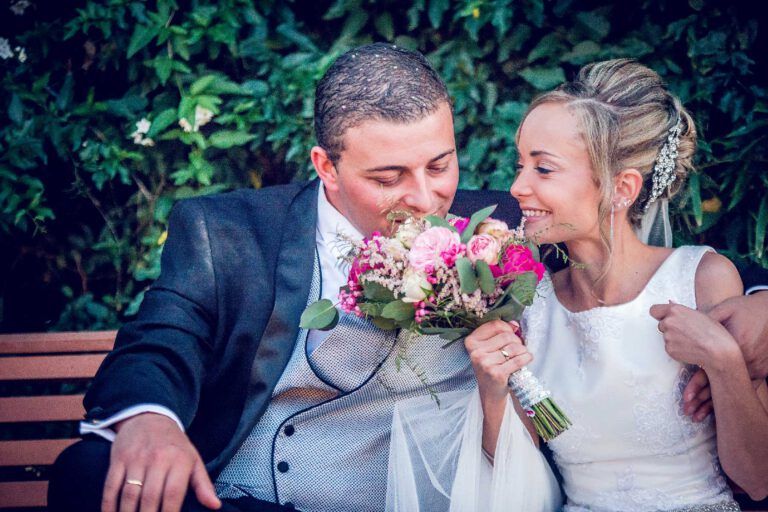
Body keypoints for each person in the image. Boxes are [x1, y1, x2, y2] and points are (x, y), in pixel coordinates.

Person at [47, 43, 523, 512]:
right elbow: (160, 340)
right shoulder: (228, 232)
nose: (425, 197)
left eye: (439, 165)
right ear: (326, 167)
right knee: (87, 472)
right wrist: (150, 419)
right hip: (248, 504)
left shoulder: (503, 229)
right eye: (387, 178)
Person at [387, 59, 768, 512]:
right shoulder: (530, 302)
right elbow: (514, 470)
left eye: (543, 169)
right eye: (520, 164)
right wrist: (493, 386)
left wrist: (723, 361)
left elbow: (758, 481)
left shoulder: (700, 280)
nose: (516, 187)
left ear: (621, 187)